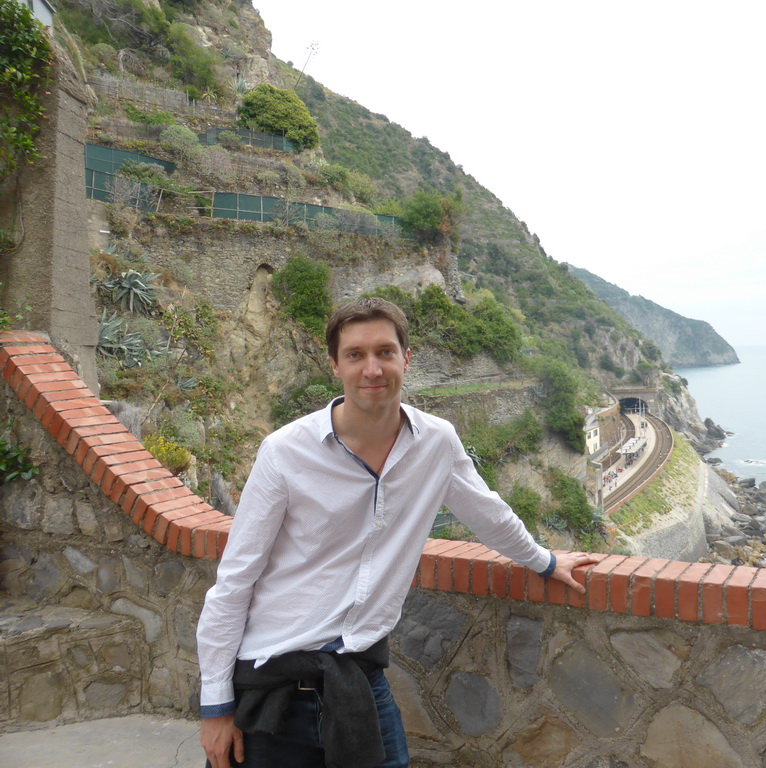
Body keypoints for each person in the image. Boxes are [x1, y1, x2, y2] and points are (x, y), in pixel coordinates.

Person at [197, 297, 597, 768]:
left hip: (361, 682)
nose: (372, 368)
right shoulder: (285, 452)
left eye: (385, 352)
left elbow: (487, 513)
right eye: (356, 355)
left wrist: (545, 561)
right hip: (274, 687)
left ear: (406, 359)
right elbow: (235, 580)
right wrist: (216, 708)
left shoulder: (437, 443)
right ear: (335, 365)